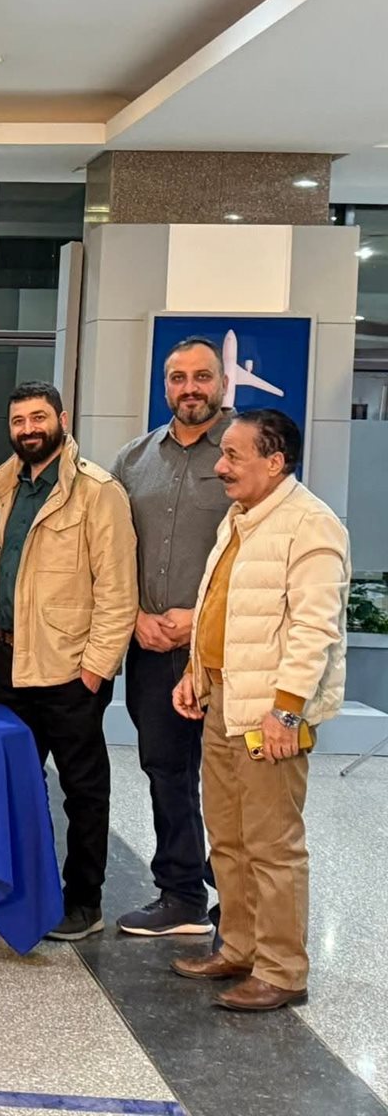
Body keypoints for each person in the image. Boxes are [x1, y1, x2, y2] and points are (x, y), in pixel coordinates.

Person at [170, 410, 348, 1012]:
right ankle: (239, 947)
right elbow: (221, 607)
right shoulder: (240, 519)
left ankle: (282, 970)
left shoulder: (311, 525)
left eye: (233, 456)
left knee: (273, 845)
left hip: (272, 713)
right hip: (225, 700)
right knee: (228, 837)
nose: (220, 466)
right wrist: (196, 672)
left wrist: (287, 712)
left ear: (275, 462)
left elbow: (314, 630)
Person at [0, 381, 137, 940]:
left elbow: (118, 591)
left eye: (38, 417)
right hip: (10, 662)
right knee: (17, 788)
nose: (28, 429)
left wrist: (95, 668)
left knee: (83, 791)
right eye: (18, 420)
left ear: (62, 420)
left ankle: (84, 902)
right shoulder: (4, 488)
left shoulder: (98, 492)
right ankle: (26, 891)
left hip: (69, 668)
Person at [110, 336, 233, 937]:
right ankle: (181, 894)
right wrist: (134, 614)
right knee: (166, 771)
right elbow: (110, 549)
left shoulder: (244, 451)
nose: (190, 388)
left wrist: (200, 617)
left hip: (228, 650)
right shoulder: (134, 459)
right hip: (152, 648)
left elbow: (264, 552)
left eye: (201, 377)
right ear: (165, 386)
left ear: (222, 383)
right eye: (178, 378)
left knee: (235, 778)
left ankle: (239, 899)